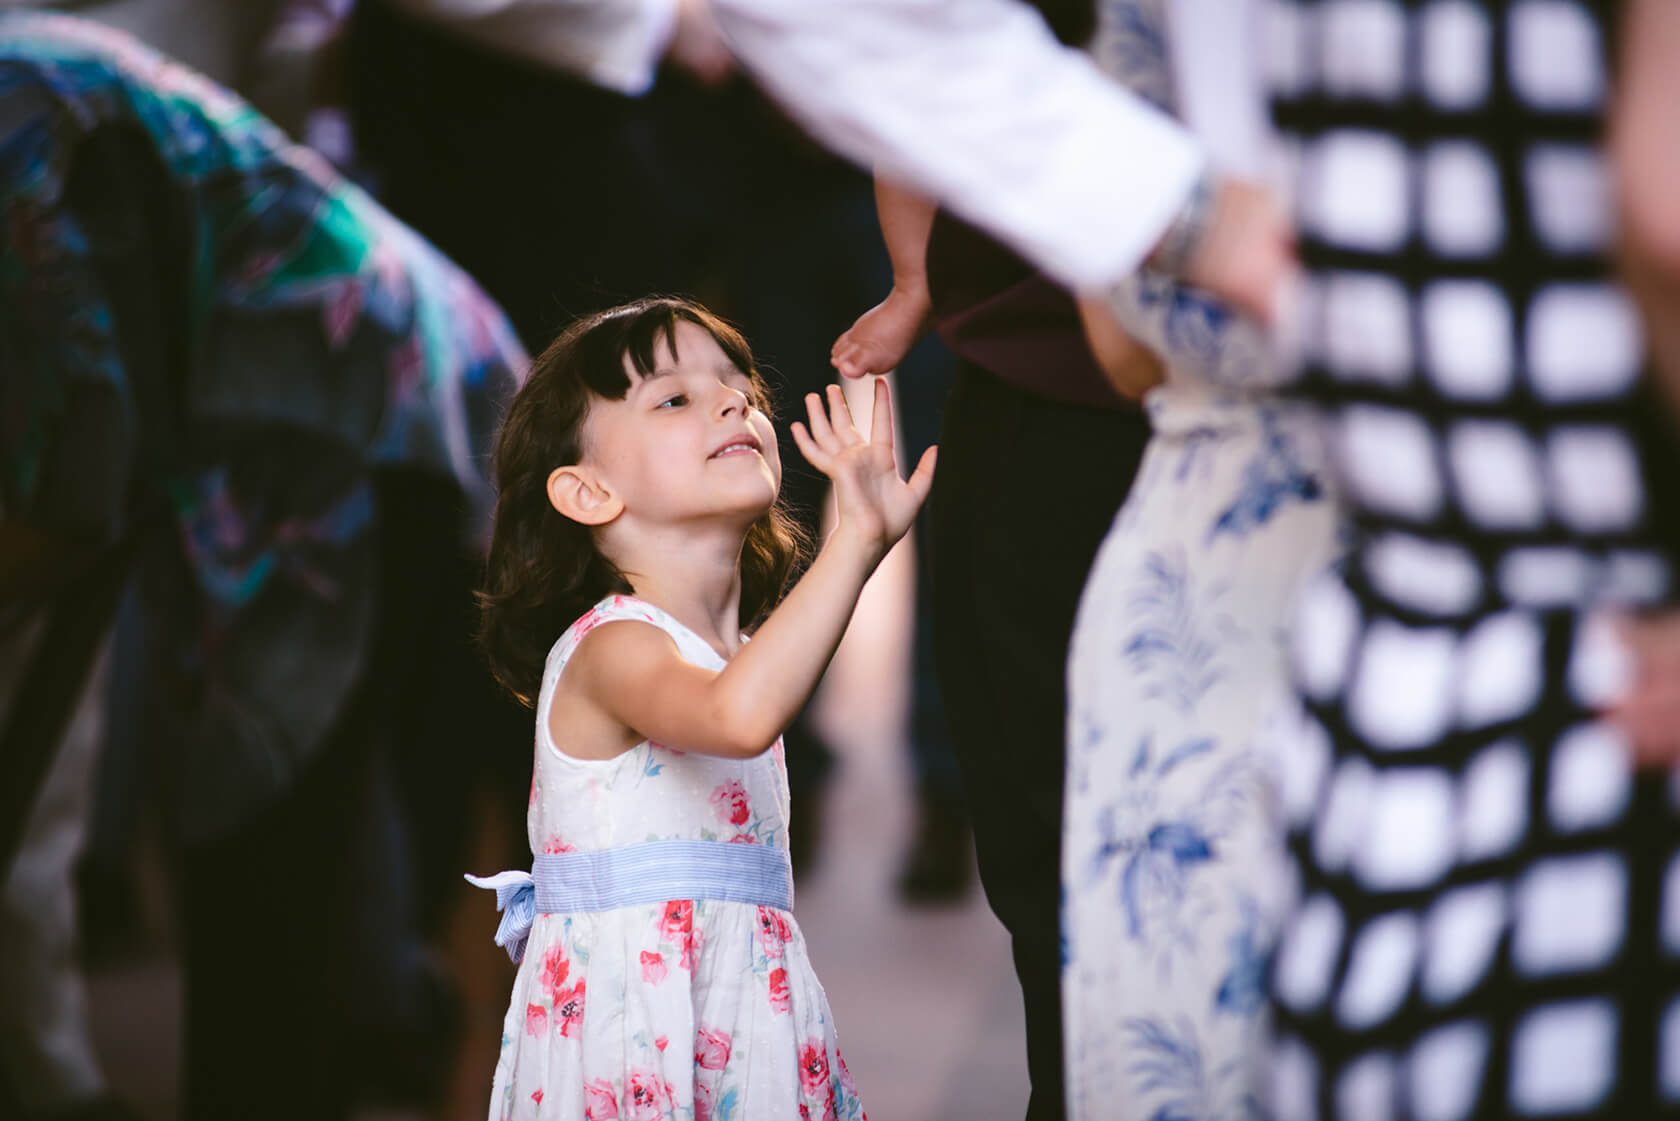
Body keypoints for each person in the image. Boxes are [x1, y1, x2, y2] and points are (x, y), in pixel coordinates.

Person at [0, 13, 526, 1118]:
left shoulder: (15, 115)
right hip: (290, 398)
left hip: (361, 396)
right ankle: (378, 1013)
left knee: (257, 818)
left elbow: (81, 484)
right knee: (292, 808)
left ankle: (351, 1043)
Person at [468, 296, 933, 1119]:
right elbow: (734, 717)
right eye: (674, 398)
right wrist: (854, 542)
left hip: (745, 1028)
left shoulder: (747, 658)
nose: (734, 403)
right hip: (633, 1043)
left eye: (740, 386)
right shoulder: (610, 647)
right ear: (586, 491)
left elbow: (746, 697)